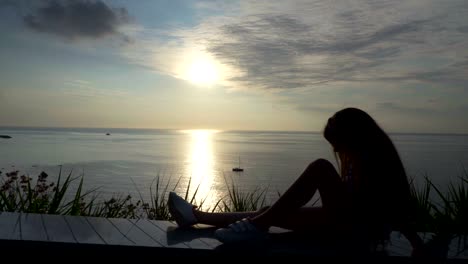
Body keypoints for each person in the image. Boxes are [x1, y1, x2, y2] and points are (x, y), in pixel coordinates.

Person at [168, 107, 423, 254]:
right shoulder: (359, 159)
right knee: (269, 212)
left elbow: (396, 204)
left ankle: (253, 227)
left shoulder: (378, 159)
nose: (336, 151)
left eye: (337, 144)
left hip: (357, 232)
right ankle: (197, 216)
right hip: (347, 223)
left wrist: (417, 244)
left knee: (320, 168)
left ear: (352, 135)